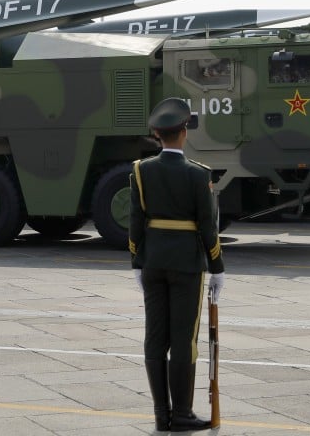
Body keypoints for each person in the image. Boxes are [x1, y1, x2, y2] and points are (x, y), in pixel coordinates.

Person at [129, 98, 225, 432]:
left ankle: (160, 413)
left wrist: (137, 262)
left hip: (153, 262)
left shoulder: (141, 171)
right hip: (186, 264)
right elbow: (207, 226)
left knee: (155, 338)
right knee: (184, 339)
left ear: (157, 134)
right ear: (184, 133)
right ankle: (182, 413)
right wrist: (217, 267)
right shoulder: (198, 174)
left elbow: (135, 222)